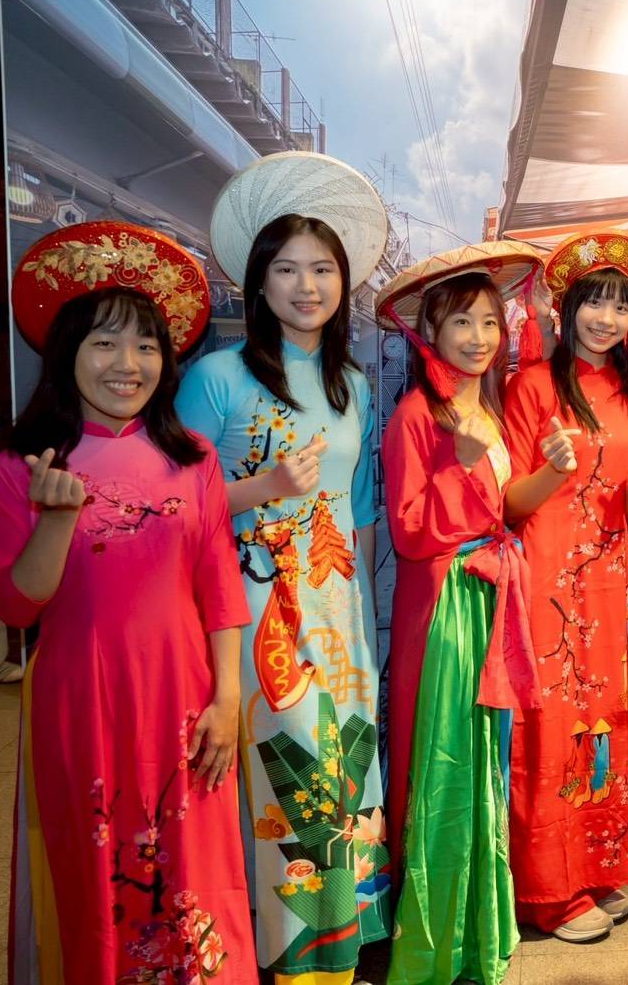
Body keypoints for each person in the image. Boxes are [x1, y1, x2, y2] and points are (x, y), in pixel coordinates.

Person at [0, 224, 254, 984]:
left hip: (187, 697)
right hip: (81, 702)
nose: (127, 364)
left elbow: (219, 586)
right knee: (97, 872)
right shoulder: (18, 466)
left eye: (145, 345)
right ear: (66, 352)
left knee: (196, 872)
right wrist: (55, 521)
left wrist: (227, 698)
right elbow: (16, 607)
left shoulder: (192, 459)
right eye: (104, 344)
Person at [178, 154, 393, 984]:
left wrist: (364, 618)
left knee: (345, 768)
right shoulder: (216, 379)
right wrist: (263, 488)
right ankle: (282, 955)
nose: (308, 286)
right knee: (285, 774)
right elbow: (177, 506)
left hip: (338, 612)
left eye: (323, 270)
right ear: (259, 284)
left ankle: (339, 943)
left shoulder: (351, 385)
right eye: (288, 270)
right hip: (257, 611)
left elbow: (359, 508)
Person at [378, 242, 544, 982]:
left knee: (484, 764)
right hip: (444, 603)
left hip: (489, 595)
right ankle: (433, 940)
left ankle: (479, 923)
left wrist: (546, 473)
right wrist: (465, 462)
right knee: (443, 764)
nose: (479, 338)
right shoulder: (417, 415)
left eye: (489, 322)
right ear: (429, 332)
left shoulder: (489, 405)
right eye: (461, 323)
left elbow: (502, 509)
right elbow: (410, 531)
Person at [503, 230, 628, 943]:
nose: (607, 319)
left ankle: (596, 867)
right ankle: (549, 890)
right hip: (549, 577)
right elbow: (510, 504)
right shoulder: (532, 386)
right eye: (594, 304)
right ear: (565, 310)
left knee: (603, 718)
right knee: (551, 725)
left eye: (621, 307)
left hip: (609, 574)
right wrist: (554, 469)